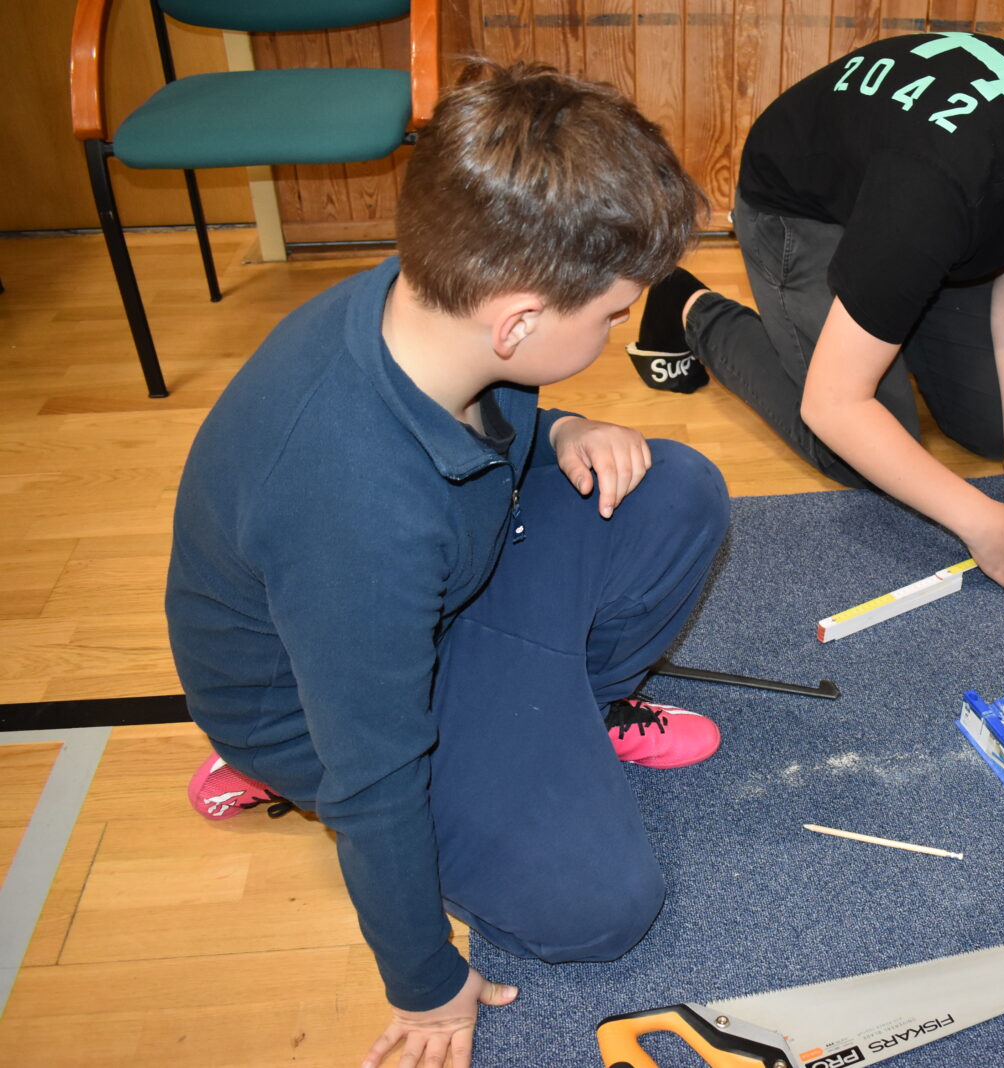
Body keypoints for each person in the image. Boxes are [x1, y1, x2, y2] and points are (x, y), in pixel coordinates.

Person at [165, 62, 725, 1068]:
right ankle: (272, 771)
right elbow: (373, 773)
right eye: (609, 317)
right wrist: (423, 983)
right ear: (518, 322)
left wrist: (561, 428)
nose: (616, 332)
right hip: (321, 705)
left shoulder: (429, 308)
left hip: (436, 595)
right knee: (602, 909)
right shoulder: (353, 506)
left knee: (673, 489)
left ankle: (557, 717)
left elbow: (491, 423)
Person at [629, 31, 1004, 589]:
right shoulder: (930, 196)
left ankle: (890, 313)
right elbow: (832, 405)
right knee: (854, 452)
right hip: (802, 207)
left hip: (921, 214)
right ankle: (690, 308)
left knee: (992, 431)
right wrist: (978, 521)